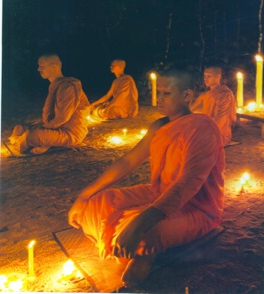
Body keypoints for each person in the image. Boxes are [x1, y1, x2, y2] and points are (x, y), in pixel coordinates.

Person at [68, 69, 225, 288]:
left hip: (196, 207)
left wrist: (140, 223)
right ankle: (127, 246)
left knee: (146, 233)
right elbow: (128, 162)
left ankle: (138, 255)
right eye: (157, 92)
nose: (158, 99)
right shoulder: (159, 126)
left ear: (187, 96)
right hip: (158, 193)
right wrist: (84, 195)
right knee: (96, 204)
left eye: (166, 93)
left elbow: (188, 183)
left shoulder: (203, 128)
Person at [9, 54, 90, 154]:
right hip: (57, 128)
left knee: (31, 136)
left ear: (54, 67)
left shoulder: (68, 87)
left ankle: (41, 143)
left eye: (42, 66)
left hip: (69, 133)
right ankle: (44, 143)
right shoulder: (56, 85)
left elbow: (62, 118)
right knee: (19, 128)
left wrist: (43, 128)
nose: (38, 69)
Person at [189, 65, 237, 146]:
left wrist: (202, 130)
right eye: (205, 76)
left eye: (209, 76)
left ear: (218, 77)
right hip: (206, 128)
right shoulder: (206, 95)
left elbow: (220, 117)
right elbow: (188, 110)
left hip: (218, 133)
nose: (205, 79)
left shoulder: (225, 94)